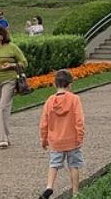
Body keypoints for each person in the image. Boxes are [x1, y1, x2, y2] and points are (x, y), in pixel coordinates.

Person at [38, 69, 85, 199]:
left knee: (54, 164)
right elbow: (79, 120)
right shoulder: (74, 99)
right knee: (74, 166)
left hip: (55, 140)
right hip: (72, 140)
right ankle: (75, 192)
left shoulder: (49, 101)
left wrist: (44, 139)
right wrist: (80, 136)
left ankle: (49, 186)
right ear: (70, 84)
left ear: (54, 84)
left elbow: (44, 122)